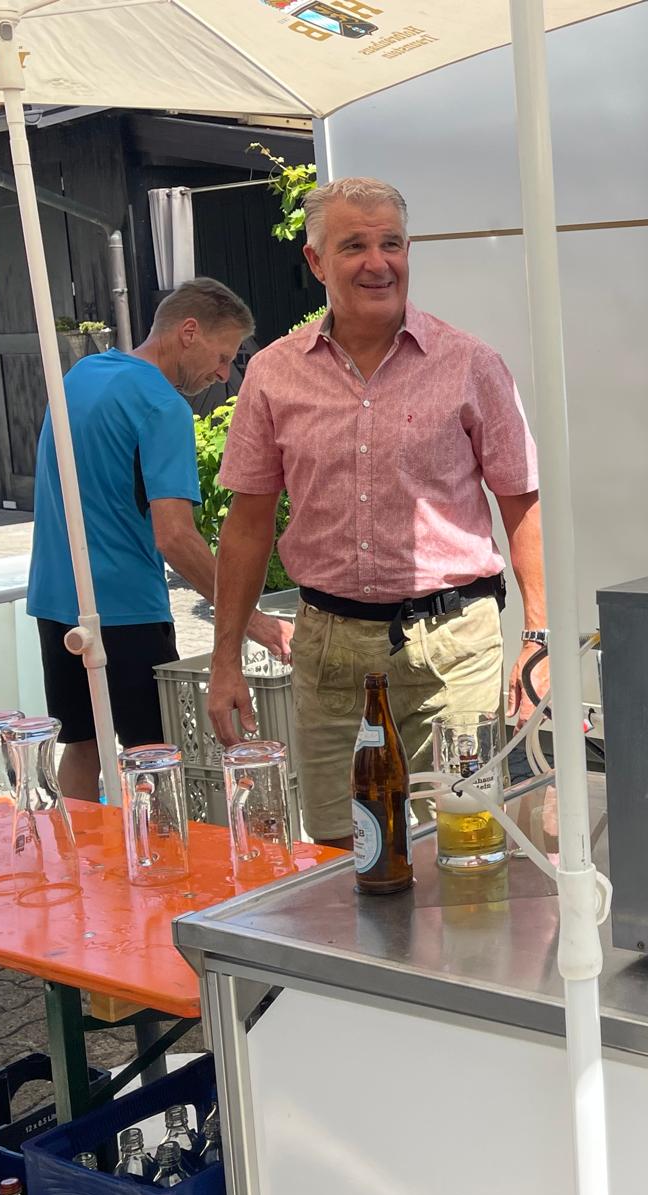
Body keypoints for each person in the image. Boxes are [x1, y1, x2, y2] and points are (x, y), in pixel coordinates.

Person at [206, 177, 549, 850]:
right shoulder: (274, 374)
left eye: (391, 243)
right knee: (344, 850)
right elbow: (246, 525)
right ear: (315, 262)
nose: (378, 262)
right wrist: (225, 660)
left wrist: (538, 638)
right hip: (330, 653)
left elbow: (521, 503)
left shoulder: (470, 364)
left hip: (454, 647)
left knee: (466, 842)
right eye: (354, 246)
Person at [27, 279, 291, 802]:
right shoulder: (162, 406)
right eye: (223, 355)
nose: (223, 373)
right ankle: (157, 856)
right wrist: (254, 620)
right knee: (156, 761)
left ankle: (79, 854)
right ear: (189, 332)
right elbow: (174, 537)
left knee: (82, 747)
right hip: (126, 612)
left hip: (56, 601)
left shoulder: (81, 374)